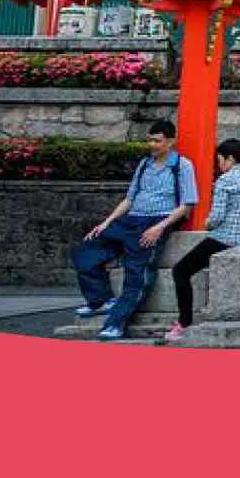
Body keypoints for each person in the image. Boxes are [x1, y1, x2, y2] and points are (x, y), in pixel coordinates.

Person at [71, 118, 198, 341]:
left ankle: (115, 324)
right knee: (87, 250)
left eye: (157, 141)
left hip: (156, 221)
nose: (152, 145)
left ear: (170, 142)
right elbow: (129, 199)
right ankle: (99, 299)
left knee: (136, 274)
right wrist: (107, 222)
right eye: (149, 140)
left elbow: (187, 205)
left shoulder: (182, 166)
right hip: (130, 219)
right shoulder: (144, 165)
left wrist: (159, 228)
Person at [165, 138, 240, 343]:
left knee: (180, 271)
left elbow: (217, 218)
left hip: (226, 238)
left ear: (230, 159)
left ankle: (184, 323)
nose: (219, 165)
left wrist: (207, 222)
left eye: (220, 160)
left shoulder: (225, 180)